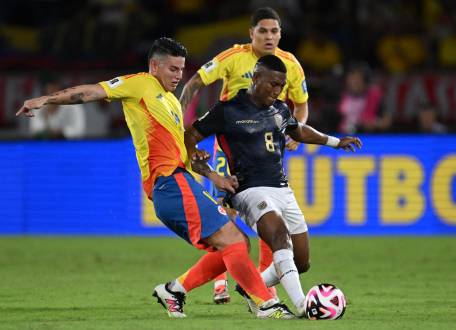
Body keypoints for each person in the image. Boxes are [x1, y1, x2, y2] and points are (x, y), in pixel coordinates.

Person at [16, 37, 294, 319]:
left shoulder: (172, 102)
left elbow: (181, 152)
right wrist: (46, 99)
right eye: (172, 69)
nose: (178, 76)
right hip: (169, 183)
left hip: (181, 180)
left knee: (237, 243)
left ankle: (175, 290)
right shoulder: (139, 84)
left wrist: (212, 174)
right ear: (154, 65)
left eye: (181, 69)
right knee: (233, 240)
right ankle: (265, 304)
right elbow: (89, 93)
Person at [184, 55, 362, 316]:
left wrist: (336, 142)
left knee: (301, 262)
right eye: (273, 84)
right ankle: (302, 306)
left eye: (281, 86)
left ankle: (253, 286)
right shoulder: (227, 110)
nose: (278, 91)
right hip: (247, 190)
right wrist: (197, 157)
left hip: (281, 188)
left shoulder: (280, 109)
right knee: (279, 236)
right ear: (255, 79)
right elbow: (191, 135)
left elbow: (298, 130)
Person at [180, 6, 309, 304]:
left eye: (274, 31)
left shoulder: (289, 64)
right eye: (262, 31)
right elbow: (197, 81)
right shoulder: (233, 56)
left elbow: (301, 103)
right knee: (225, 213)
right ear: (251, 33)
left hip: (266, 148)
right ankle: (221, 281)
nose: (268, 36)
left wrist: (297, 133)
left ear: (280, 33)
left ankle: (264, 280)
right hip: (230, 146)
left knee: (270, 217)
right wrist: (179, 117)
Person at [337, 62, 390, 134]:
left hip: (368, 137)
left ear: (366, 81)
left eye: (357, 79)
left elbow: (386, 122)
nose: (353, 82)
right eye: (351, 78)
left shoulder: (375, 95)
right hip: (341, 137)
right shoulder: (341, 95)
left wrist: (374, 124)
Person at [28, 74, 86, 139]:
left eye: (55, 89)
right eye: (49, 90)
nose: (53, 94)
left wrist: (61, 132)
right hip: (46, 146)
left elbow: (79, 130)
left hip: (69, 145)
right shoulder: (38, 107)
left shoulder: (74, 106)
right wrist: (46, 119)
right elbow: (34, 131)